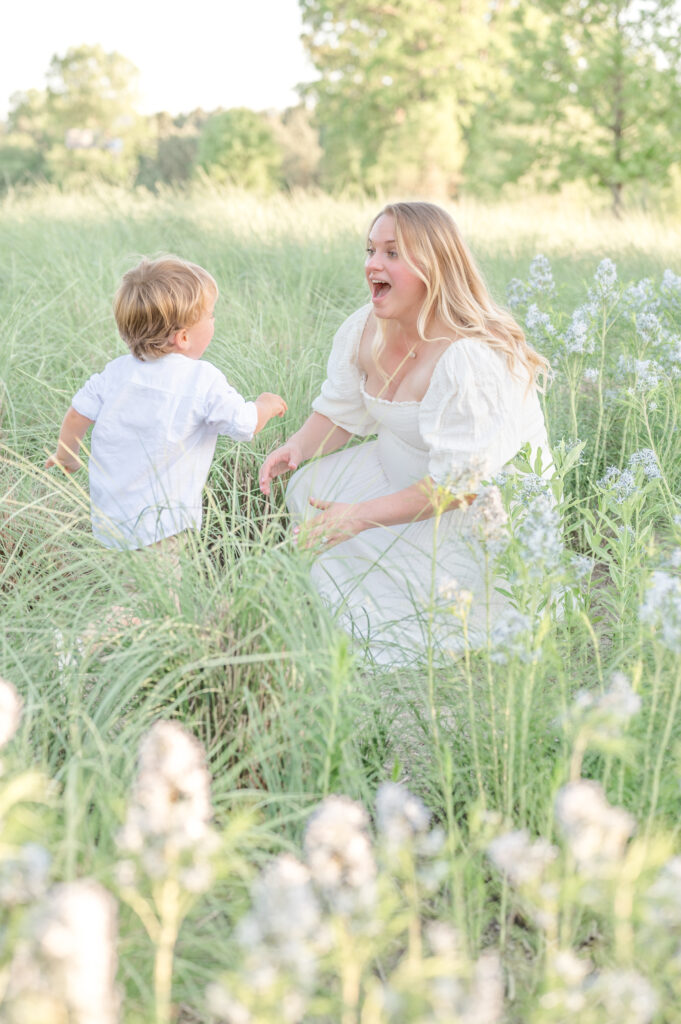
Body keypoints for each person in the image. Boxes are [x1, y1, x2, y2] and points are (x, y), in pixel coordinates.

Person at [259, 202, 551, 666]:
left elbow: (459, 486)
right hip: (398, 462)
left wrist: (358, 516)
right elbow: (342, 411)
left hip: (474, 506)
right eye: (371, 250)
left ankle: (406, 623)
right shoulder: (368, 328)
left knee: (387, 562)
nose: (373, 263)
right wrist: (296, 446)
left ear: (434, 267)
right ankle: (351, 605)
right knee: (308, 488)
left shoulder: (470, 359)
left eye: (393, 253)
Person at [47, 255, 287, 556]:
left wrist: (66, 456)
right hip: (163, 524)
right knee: (156, 598)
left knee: (127, 583)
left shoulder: (116, 372)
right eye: (210, 315)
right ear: (183, 337)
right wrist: (264, 404)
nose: (214, 321)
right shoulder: (202, 379)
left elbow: (77, 414)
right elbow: (244, 424)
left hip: (111, 516)